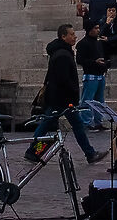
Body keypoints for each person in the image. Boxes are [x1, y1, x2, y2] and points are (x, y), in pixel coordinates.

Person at [40, 24, 105, 162]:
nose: (75, 37)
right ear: (63, 36)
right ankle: (90, 153)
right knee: (48, 126)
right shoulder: (62, 55)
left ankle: (90, 153)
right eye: (72, 34)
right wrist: (73, 90)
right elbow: (63, 78)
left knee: (58, 125)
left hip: (60, 98)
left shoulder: (62, 51)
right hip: (62, 99)